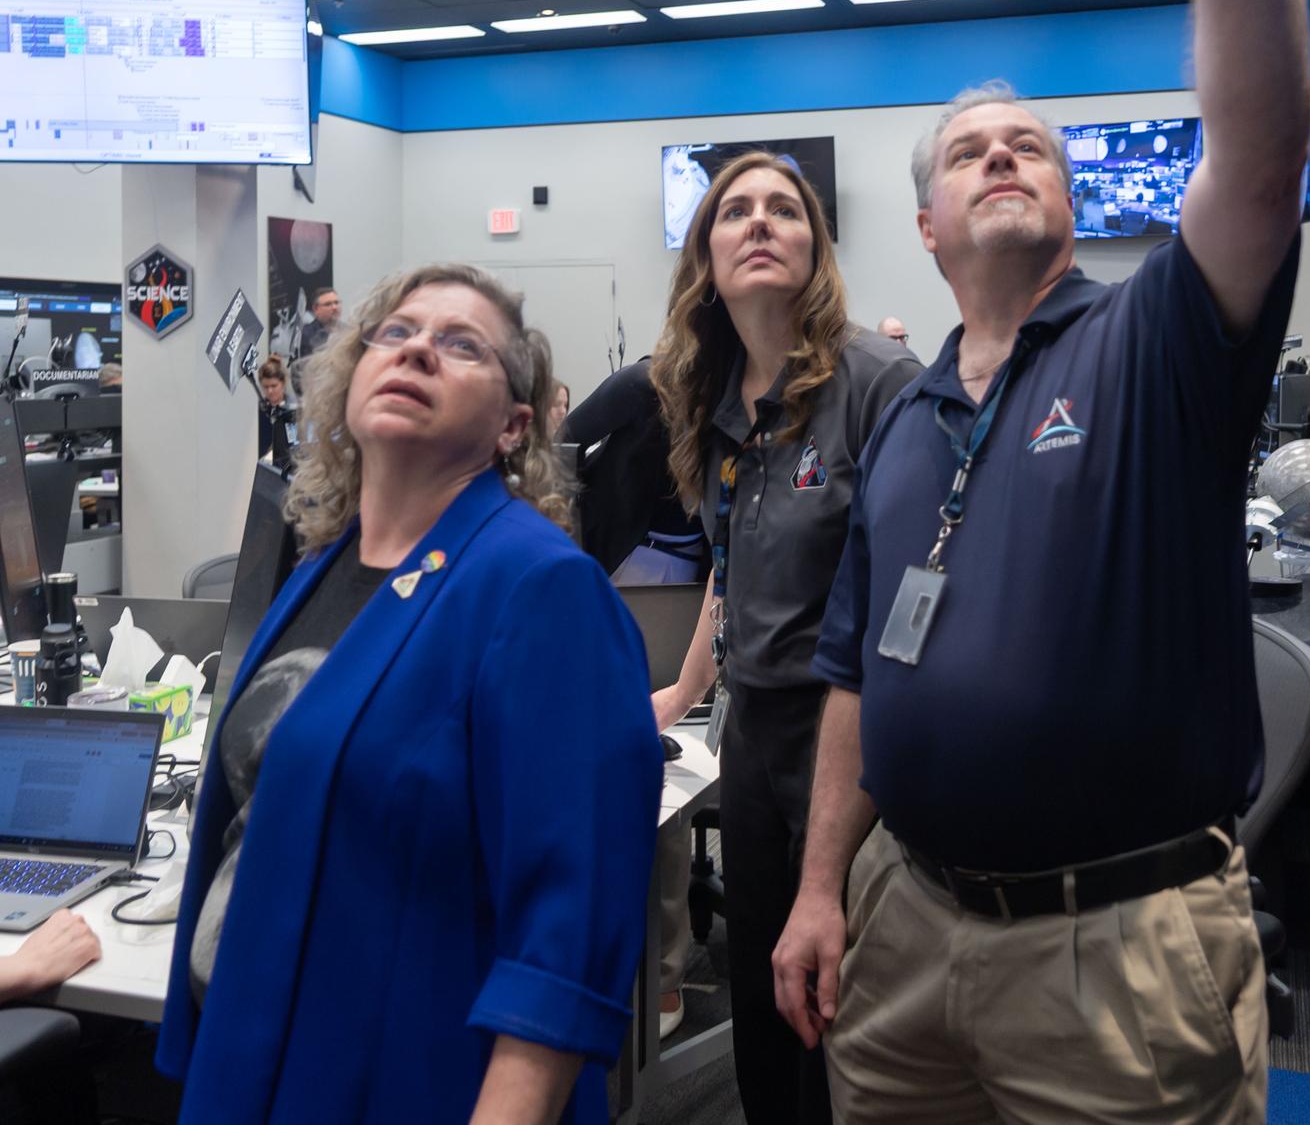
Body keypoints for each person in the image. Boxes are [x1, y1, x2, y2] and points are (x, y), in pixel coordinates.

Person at [772, 0, 1308, 1123]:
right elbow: (849, 680)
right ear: (931, 225)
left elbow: (1263, 163)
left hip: (1117, 950)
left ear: (1072, 205)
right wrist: (822, 885)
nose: (1004, 155)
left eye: (1035, 147)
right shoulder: (904, 408)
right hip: (905, 928)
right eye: (968, 152)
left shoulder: (1150, 344)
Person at [156, 264, 662, 1125]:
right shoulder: (320, 567)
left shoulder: (541, 588)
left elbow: (564, 938)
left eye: (462, 345)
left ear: (514, 425)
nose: (418, 348)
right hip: (258, 1053)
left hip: (411, 1075)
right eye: (395, 333)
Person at [649, 152, 919, 1125]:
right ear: (706, 256)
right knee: (769, 995)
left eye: (784, 209)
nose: (760, 222)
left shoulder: (881, 385)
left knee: (842, 1006)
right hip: (752, 735)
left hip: (852, 734)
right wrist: (683, 694)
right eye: (735, 211)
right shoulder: (717, 401)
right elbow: (734, 560)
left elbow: (925, 588)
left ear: (815, 248)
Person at [564, 355, 714, 1040]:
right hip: (614, 571)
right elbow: (561, 447)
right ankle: (589, 958)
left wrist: (688, 686)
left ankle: (661, 977)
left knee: (666, 778)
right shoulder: (645, 384)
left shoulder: (757, 405)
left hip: (692, 591)